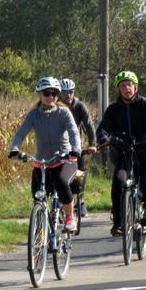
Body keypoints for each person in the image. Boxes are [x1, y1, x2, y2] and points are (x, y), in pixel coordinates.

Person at [96, 71, 146, 237]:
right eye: (122, 86)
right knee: (119, 181)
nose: (126, 88)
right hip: (123, 152)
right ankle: (119, 223)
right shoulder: (113, 109)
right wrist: (103, 138)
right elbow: (103, 128)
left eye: (129, 85)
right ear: (118, 90)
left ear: (135, 87)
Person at [9, 77, 82, 231]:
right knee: (37, 197)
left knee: (61, 182)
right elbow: (21, 133)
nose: (50, 97)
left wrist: (76, 149)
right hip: (42, 162)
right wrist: (15, 149)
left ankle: (70, 217)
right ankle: (41, 228)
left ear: (58, 95)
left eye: (54, 93)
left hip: (64, 159)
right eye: (46, 93)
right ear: (40, 95)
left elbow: (74, 132)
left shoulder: (64, 112)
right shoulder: (34, 114)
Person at [60, 78, 98, 217]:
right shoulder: (55, 105)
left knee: (80, 174)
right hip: (59, 146)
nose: (67, 95)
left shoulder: (79, 106)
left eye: (70, 92)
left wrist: (92, 144)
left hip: (76, 146)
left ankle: (80, 201)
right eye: (64, 92)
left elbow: (89, 125)